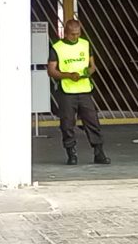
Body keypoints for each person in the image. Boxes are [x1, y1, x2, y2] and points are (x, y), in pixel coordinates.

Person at [47, 19, 110, 165]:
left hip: (84, 89)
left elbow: (92, 66)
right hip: (67, 91)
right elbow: (51, 71)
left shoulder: (85, 44)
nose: (75, 37)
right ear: (65, 33)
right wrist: (68, 75)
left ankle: (99, 153)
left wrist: (89, 71)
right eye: (72, 34)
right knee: (67, 124)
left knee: (92, 122)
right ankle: (71, 153)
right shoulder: (57, 48)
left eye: (78, 33)